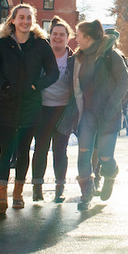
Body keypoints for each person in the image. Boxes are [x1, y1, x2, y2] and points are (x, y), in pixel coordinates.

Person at [0, 3, 59, 215]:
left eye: (29, 18)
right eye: (21, 17)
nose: (25, 21)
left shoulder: (41, 45)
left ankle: (17, 194)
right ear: (13, 20)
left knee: (24, 150)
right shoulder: (2, 45)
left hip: (30, 107)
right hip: (5, 106)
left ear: (33, 21)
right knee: (5, 151)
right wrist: (3, 85)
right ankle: (0, 197)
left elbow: (53, 73)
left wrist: (36, 86)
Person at [72, 20, 128, 211]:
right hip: (88, 112)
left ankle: (110, 174)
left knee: (105, 157)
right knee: (83, 153)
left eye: (78, 35)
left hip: (109, 114)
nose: (76, 38)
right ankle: (86, 193)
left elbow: (124, 82)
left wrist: (111, 106)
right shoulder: (79, 58)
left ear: (88, 38)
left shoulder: (110, 55)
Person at [31, 16, 77, 203]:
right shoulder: (40, 56)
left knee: (60, 150)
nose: (57, 37)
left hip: (63, 110)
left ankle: (60, 188)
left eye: (62, 34)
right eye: (54, 34)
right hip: (42, 109)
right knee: (40, 148)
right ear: (49, 36)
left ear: (68, 37)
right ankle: (37, 187)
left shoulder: (74, 59)